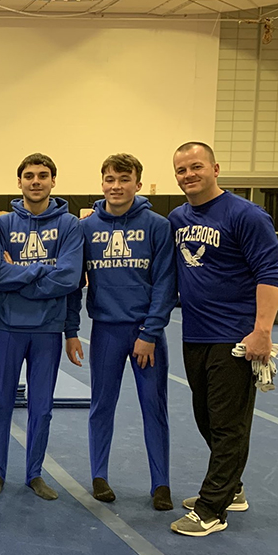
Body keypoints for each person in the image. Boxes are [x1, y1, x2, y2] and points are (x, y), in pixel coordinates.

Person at [168, 141, 278, 537]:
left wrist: (262, 332)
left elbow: (270, 273)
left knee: (229, 423)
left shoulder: (246, 215)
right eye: (181, 170)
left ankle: (211, 508)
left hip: (235, 337)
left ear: (216, 169)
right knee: (208, 418)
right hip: (196, 333)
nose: (189, 175)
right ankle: (231, 488)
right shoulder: (178, 217)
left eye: (196, 167)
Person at [64, 153, 176, 510]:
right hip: (106, 332)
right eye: (110, 179)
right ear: (101, 183)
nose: (116, 186)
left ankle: (161, 484)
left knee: (153, 408)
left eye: (124, 179)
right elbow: (73, 283)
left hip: (147, 334)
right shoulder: (85, 228)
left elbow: (164, 284)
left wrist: (150, 331)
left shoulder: (158, 225)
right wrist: (70, 329)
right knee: (101, 405)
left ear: (138, 185)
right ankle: (99, 476)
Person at [0, 152, 83, 500]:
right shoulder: (1, 225)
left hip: (47, 330)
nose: (36, 181)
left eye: (43, 175)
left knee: (41, 406)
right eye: (29, 175)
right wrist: (44, 270)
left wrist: (19, 277)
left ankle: (34, 473)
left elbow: (70, 278)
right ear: (20, 182)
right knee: (0, 402)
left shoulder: (70, 225)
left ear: (53, 181)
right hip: (7, 326)